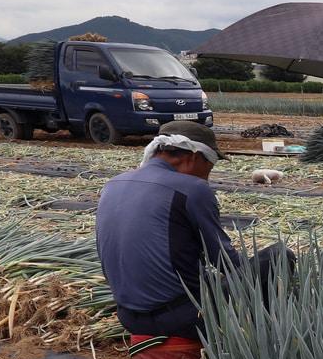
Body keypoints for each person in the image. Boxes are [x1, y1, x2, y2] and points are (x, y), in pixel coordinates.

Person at [96, 120, 292, 341]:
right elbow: (225, 262)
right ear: (194, 156)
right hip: (182, 317)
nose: (208, 175)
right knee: (279, 256)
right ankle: (263, 340)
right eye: (210, 164)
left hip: (128, 316)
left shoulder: (114, 183)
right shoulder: (192, 189)